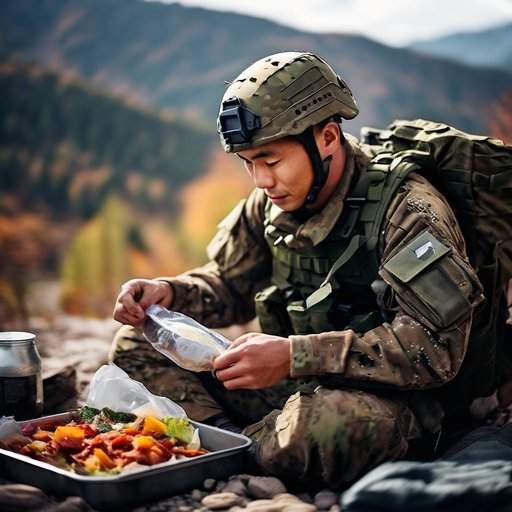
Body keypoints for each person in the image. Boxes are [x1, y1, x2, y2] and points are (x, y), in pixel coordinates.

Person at [111, 52, 489, 488]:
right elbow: (229, 285)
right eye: (248, 163)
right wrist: (170, 294)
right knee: (139, 342)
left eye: (271, 161)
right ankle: (235, 444)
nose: (260, 181)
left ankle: (219, 448)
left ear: (327, 137)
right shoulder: (272, 203)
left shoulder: (408, 210)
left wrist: (294, 356)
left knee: (324, 427)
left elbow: (434, 350)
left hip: (393, 402)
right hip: (293, 384)